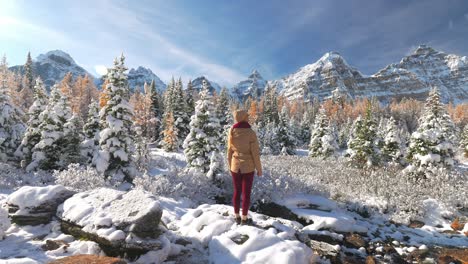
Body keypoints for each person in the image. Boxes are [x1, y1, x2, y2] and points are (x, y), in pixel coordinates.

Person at [227, 109, 262, 225]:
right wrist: (259, 169)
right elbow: (255, 153)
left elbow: (229, 151)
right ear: (243, 118)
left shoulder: (232, 130)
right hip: (248, 167)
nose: (248, 118)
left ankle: (236, 216)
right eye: (247, 116)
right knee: (246, 193)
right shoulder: (250, 133)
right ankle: (244, 218)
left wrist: (230, 165)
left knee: (237, 191)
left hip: (235, 166)